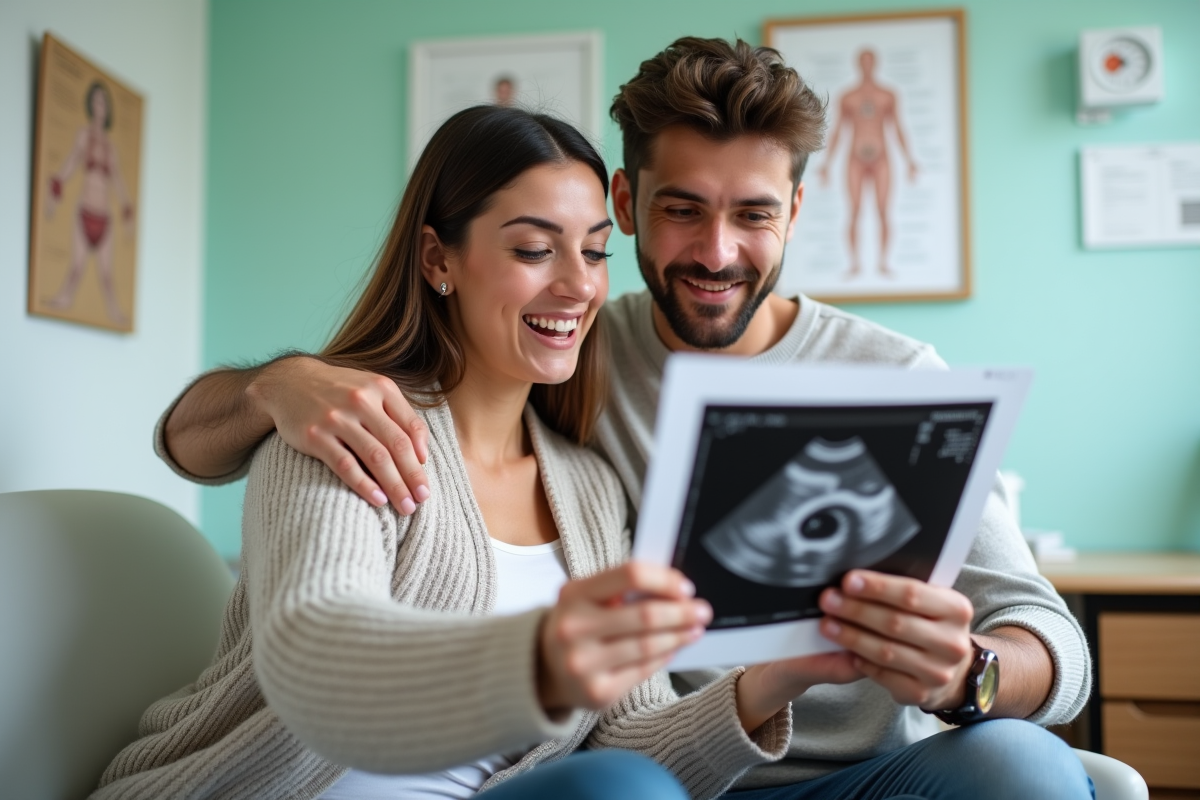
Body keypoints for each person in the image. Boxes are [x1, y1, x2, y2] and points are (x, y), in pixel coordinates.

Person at [155, 38, 1093, 799]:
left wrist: (944, 674)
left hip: (794, 771)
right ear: (629, 200)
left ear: (796, 212)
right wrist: (276, 382)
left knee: (1024, 768)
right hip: (620, 782)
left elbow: (1050, 643)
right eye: (681, 209)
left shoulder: (875, 385)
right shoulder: (452, 394)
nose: (716, 251)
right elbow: (216, 482)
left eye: (754, 215)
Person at [95, 104, 844, 800]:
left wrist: (780, 677)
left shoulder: (589, 487)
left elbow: (631, 738)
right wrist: (540, 657)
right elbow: (315, 653)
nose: (578, 285)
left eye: (593, 251)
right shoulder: (350, 427)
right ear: (436, 259)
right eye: (532, 249)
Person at [817, 48, 918, 279]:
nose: (866, 66)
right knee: (854, 211)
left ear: (876, 64)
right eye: (863, 61)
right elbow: (838, 131)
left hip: (882, 157)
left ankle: (883, 262)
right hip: (854, 158)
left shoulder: (888, 94)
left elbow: (898, 127)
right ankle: (854, 263)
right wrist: (827, 164)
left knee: (883, 211)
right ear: (857, 64)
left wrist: (910, 160)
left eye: (870, 61)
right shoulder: (847, 96)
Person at [44, 80, 135, 324]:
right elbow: (72, 163)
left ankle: (114, 310)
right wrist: (56, 184)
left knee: (107, 275)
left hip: (105, 218)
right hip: (84, 211)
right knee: (76, 266)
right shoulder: (83, 135)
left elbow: (118, 181)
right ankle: (64, 297)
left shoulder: (111, 147)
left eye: (103, 101)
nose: (99, 105)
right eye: (95, 100)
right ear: (90, 105)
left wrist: (128, 210)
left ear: (107, 108)